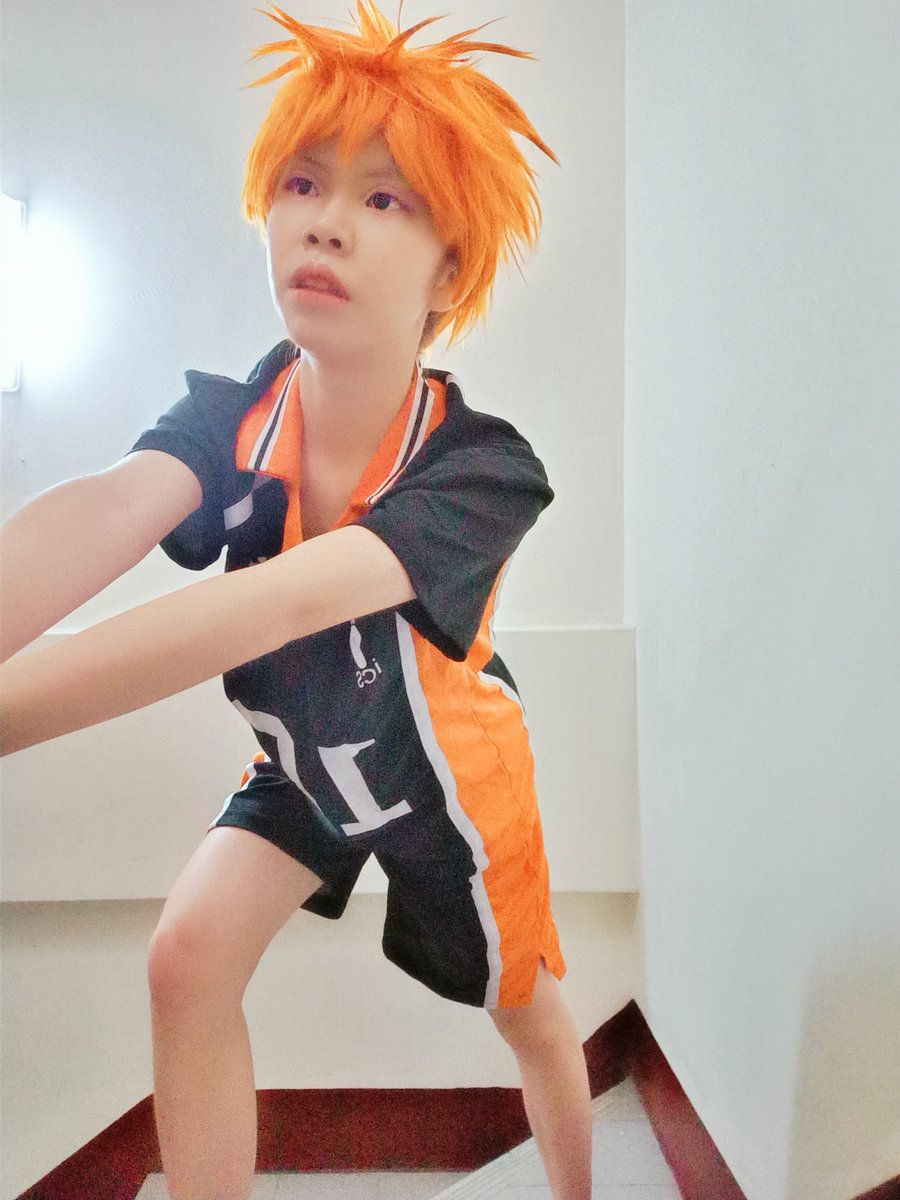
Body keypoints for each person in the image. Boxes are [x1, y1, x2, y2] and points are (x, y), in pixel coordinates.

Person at [0, 3, 593, 1198]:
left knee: (528, 1015)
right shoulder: (230, 417)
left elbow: (272, 609)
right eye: (304, 182)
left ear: (450, 266)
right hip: (308, 761)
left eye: (386, 199)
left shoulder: (482, 469)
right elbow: (107, 510)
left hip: (449, 777)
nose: (326, 219)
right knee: (185, 959)